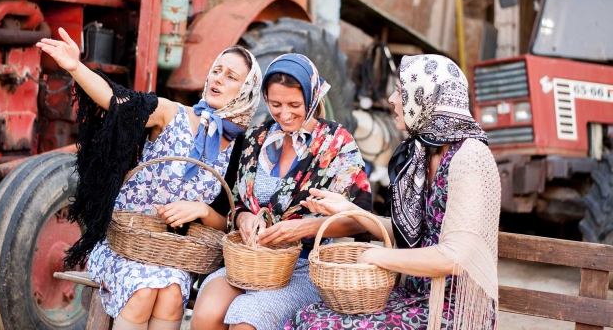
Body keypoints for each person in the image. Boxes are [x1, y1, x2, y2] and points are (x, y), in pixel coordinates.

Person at [37, 28, 262, 330]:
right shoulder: (172, 114)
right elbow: (117, 101)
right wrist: (76, 68)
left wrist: (202, 211)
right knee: (142, 293)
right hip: (125, 241)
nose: (217, 79)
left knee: (170, 294)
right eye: (215, 71)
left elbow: (227, 223)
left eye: (231, 77)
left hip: (174, 252)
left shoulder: (240, 150)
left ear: (246, 91)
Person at [284, 54, 501, 330]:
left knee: (323, 326)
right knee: (307, 316)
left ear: (428, 98)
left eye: (400, 91)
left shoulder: (470, 157)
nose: (391, 99)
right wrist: (351, 211)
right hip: (414, 295)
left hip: (450, 308)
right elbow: (410, 233)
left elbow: (454, 257)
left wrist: (378, 256)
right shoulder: (424, 152)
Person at [190, 53, 373, 330]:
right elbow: (237, 202)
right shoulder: (256, 138)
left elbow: (360, 220)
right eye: (275, 104)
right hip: (251, 260)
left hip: (304, 266)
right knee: (206, 313)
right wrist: (243, 219)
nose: (284, 114)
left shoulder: (336, 143)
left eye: (294, 105)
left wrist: (303, 229)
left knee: (247, 320)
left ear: (312, 97)